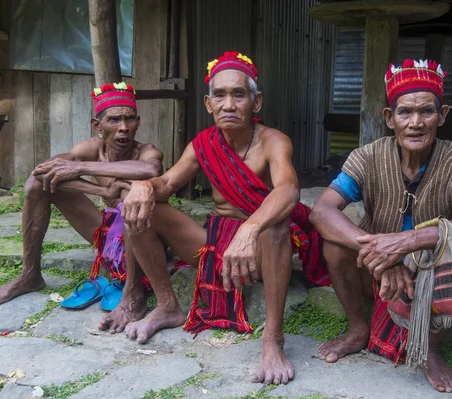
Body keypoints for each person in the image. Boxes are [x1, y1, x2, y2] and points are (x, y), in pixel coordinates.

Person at [113, 51, 328, 386]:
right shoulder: (203, 144)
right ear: (208, 103)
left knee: (276, 226)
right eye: (220, 95)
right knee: (137, 208)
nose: (229, 104)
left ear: (256, 103)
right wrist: (142, 185)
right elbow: (167, 183)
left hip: (259, 247)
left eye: (238, 95)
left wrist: (249, 229)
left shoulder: (274, 141)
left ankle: (273, 341)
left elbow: (288, 191)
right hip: (214, 240)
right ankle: (168, 306)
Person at [309, 59, 452, 393]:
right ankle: (357, 329)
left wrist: (408, 242)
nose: (415, 123)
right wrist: (381, 250)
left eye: (426, 112)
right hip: (376, 267)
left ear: (442, 115)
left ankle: (430, 350)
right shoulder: (366, 157)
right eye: (405, 113)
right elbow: (322, 211)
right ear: (388, 117)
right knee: (334, 244)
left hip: (427, 269)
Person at [0, 82, 163, 308]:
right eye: (114, 120)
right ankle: (30, 275)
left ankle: (133, 287)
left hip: (146, 237)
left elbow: (150, 170)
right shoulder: (91, 148)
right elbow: (41, 172)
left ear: (138, 123)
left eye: (130, 119)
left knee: (130, 194)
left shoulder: (147, 151)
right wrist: (101, 190)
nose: (124, 127)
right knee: (36, 185)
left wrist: (81, 168)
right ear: (97, 125)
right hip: (109, 233)